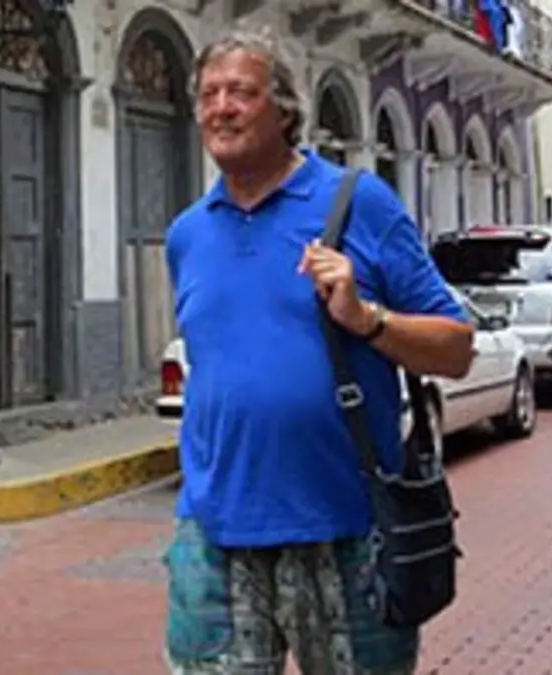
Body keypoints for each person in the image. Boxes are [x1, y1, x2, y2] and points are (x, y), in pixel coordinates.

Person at [162, 29, 476, 675]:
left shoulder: (359, 203)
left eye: (241, 93)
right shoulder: (187, 234)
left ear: (283, 109)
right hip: (214, 533)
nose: (221, 108)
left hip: (347, 529)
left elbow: (457, 348)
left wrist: (366, 318)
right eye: (208, 94)